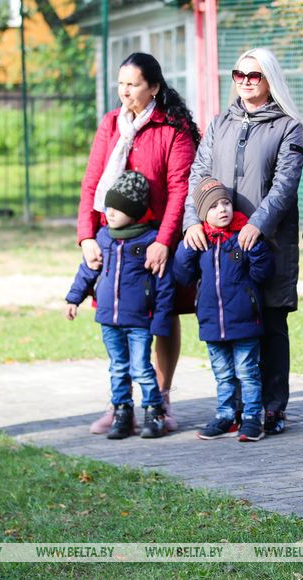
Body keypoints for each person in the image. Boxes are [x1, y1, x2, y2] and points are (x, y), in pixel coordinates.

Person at [183, 47, 303, 436]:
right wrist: (192, 222)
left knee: (269, 324)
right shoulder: (219, 124)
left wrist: (259, 224)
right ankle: (230, 409)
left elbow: (285, 185)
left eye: (255, 75)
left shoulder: (288, 126)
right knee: (229, 328)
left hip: (264, 244)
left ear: (270, 79)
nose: (246, 81)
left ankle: (269, 409)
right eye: (240, 74)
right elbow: (197, 177)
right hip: (221, 251)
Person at [77, 52, 198, 435]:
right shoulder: (111, 123)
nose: (124, 91)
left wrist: (164, 241)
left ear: (154, 88)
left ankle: (158, 402)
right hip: (111, 241)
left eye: (133, 85)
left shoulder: (174, 128)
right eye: (121, 84)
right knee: (117, 319)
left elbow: (181, 189)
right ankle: (122, 405)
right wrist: (85, 236)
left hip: (157, 240)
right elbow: (92, 182)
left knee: (163, 318)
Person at [66, 171, 175, 440]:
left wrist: (160, 321)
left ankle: (153, 412)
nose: (110, 212)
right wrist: (73, 298)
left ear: (135, 211)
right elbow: (88, 270)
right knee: (117, 368)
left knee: (141, 368)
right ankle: (122, 413)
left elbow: (164, 286)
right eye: (109, 206)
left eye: (119, 208)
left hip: (139, 320)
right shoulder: (103, 238)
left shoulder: (149, 242)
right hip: (109, 319)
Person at [174, 177, 274, 442]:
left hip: (244, 320)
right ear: (203, 214)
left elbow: (262, 273)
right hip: (211, 322)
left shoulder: (243, 237)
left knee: (247, 372)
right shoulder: (200, 242)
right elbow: (182, 275)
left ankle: (252, 417)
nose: (222, 209)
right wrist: (186, 244)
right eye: (215, 206)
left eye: (226, 203)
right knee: (223, 374)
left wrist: (256, 247)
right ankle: (226, 415)